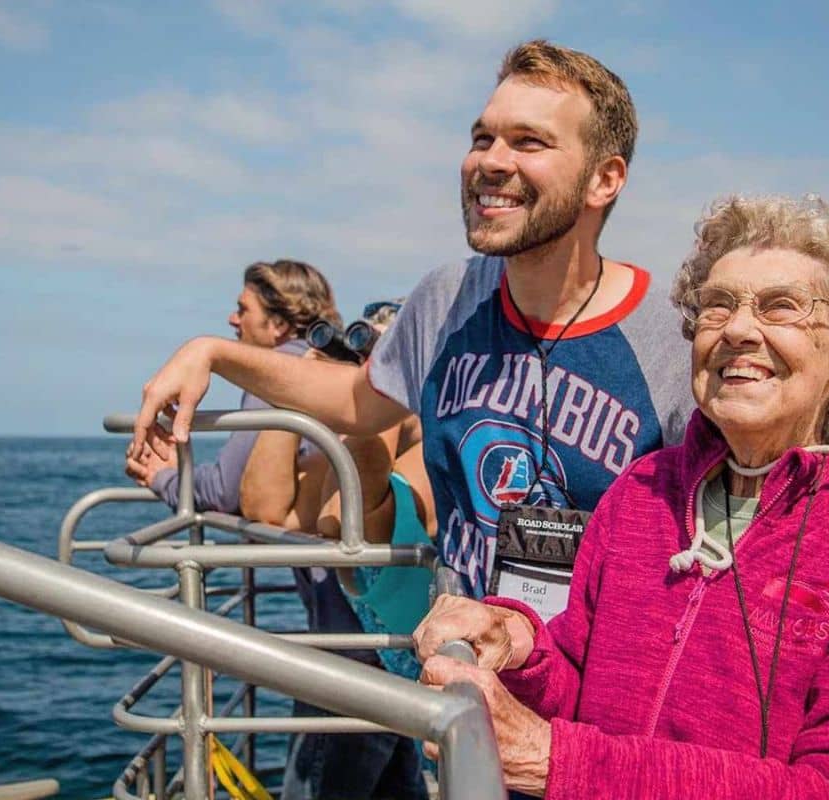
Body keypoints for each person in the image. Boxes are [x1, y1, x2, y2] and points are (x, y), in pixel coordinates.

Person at [412, 195, 829, 799]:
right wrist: (517, 642)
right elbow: (579, 677)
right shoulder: (642, 493)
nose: (737, 329)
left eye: (780, 307)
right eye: (716, 307)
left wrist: (557, 763)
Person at [130, 40, 695, 598]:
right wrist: (213, 352)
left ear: (605, 179)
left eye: (529, 142)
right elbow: (357, 400)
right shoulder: (446, 297)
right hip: (461, 674)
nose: (491, 161)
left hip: (600, 680)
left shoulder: (673, 339)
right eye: (483, 138)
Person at [240, 300, 435, 800]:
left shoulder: (436, 456)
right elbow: (265, 507)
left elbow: (344, 520)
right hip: (362, 673)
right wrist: (305, 389)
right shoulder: (356, 459)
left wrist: (372, 403)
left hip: (380, 678)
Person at [125, 259, 336, 512]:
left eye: (242, 310)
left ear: (279, 324)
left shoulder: (275, 376)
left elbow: (225, 491)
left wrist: (164, 477)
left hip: (289, 547)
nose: (232, 319)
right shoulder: (334, 367)